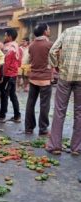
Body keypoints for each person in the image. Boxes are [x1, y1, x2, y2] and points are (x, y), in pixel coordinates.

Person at [46, 21, 81, 156]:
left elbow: (53, 51)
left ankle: (55, 146)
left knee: (59, 110)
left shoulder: (68, 31)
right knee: (79, 112)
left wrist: (56, 66)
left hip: (65, 76)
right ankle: (76, 148)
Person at [25, 23, 53, 136]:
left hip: (33, 78)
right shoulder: (50, 45)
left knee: (30, 103)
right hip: (45, 79)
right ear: (45, 32)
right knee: (44, 104)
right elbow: (54, 61)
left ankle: (28, 127)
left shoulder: (31, 45)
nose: (50, 30)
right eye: (49, 28)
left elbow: (27, 61)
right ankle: (43, 128)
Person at [0, 28, 23, 123]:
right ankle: (17, 116)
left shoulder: (8, 48)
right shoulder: (18, 48)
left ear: (9, 36)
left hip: (7, 75)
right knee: (12, 95)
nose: (4, 37)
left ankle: (2, 116)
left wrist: (2, 76)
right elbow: (19, 63)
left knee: (4, 95)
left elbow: (5, 64)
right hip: (14, 74)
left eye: (5, 35)